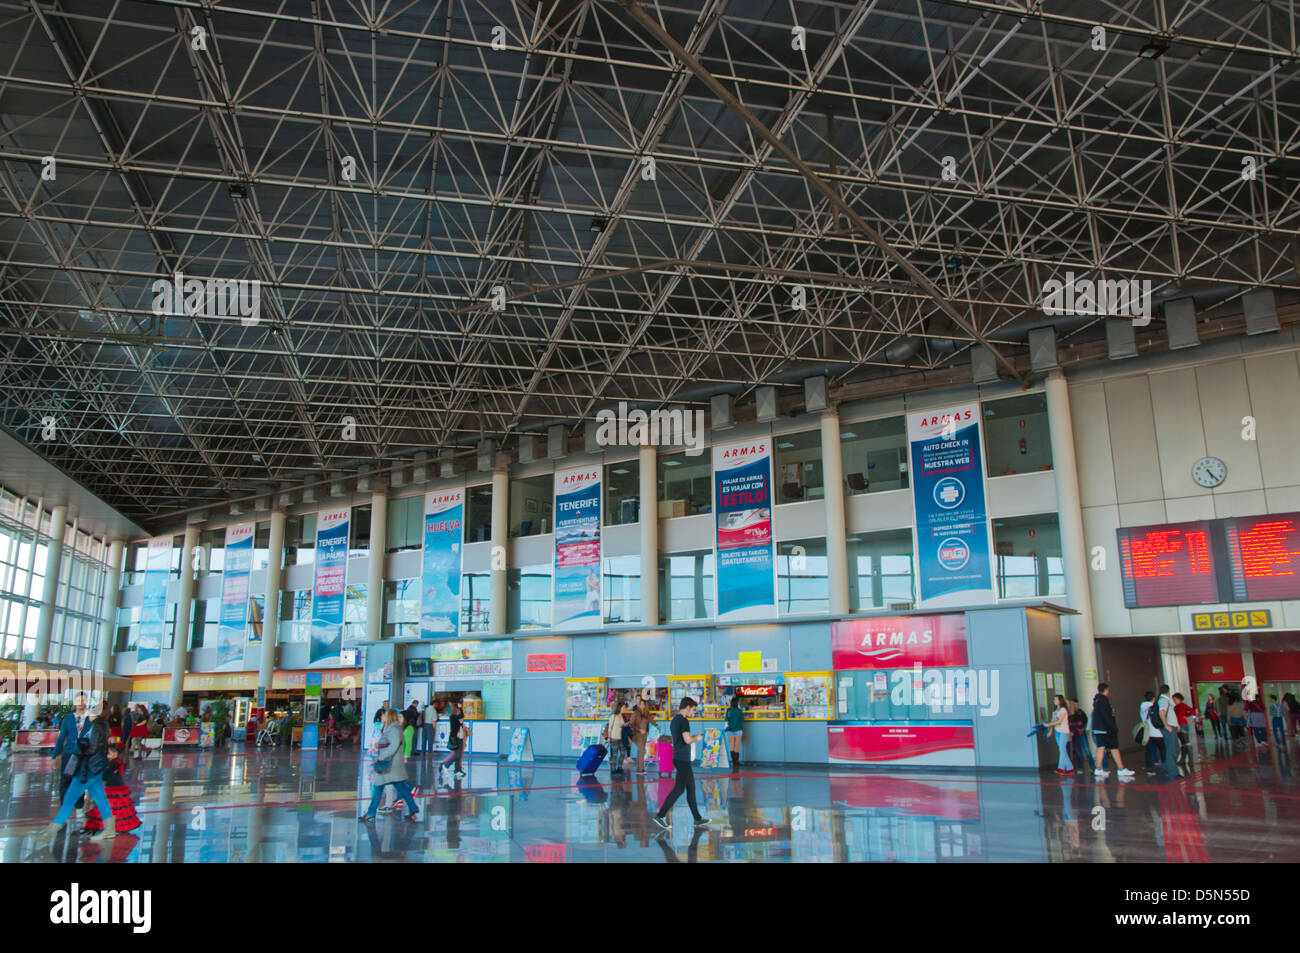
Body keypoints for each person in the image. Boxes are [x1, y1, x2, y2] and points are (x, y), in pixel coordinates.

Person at [40, 699, 116, 842]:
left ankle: (48, 834)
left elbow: (92, 748)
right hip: (95, 768)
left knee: (69, 799)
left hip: (87, 768)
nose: (90, 712)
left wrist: (81, 746)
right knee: (101, 799)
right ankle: (110, 830)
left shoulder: (97, 726)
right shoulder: (102, 725)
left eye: (93, 710)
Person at [652, 697, 710, 830]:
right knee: (679, 789)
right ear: (687, 707)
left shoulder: (675, 720)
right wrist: (698, 737)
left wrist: (692, 737)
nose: (693, 712)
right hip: (682, 759)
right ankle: (660, 816)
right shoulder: (684, 721)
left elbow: (682, 739)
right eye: (693, 709)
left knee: (691, 788)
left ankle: (697, 818)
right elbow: (688, 740)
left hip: (679, 757)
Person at [359, 709, 419, 823]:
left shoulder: (394, 729)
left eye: (385, 716)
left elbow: (393, 745)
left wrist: (380, 757)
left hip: (390, 764)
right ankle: (413, 807)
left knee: (378, 786)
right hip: (392, 764)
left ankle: (371, 812)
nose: (383, 718)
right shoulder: (392, 728)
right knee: (401, 787)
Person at [80, 747, 141, 836]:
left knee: (110, 806)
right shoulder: (117, 762)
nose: (107, 756)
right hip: (117, 786)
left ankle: (107, 826)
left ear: (113, 754)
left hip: (113, 788)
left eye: (108, 754)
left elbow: (107, 774)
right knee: (118, 806)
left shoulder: (113, 763)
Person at [50, 693, 91, 811]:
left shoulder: (90, 718)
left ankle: (79, 804)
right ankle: (65, 804)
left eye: (83, 700)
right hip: (69, 753)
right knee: (65, 779)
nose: (81, 702)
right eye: (78, 700)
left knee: (80, 778)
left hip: (83, 754)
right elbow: (61, 738)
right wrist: (54, 756)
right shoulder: (68, 719)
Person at [1089, 683, 1134, 779]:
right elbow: (1106, 715)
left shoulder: (1096, 700)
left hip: (1097, 728)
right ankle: (1121, 769)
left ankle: (1098, 768)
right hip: (1106, 729)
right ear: (1106, 690)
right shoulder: (1104, 700)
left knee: (1100, 747)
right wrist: (1112, 727)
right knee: (1114, 747)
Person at [1155, 684, 1180, 776]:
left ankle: (1167, 766)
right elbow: (1162, 712)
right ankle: (1173, 772)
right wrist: (1167, 725)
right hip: (1169, 728)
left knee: (1176, 749)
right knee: (1171, 750)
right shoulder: (1163, 700)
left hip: (1171, 727)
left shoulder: (1164, 700)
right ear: (1168, 691)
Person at [1044, 695, 1072, 776]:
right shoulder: (1055, 710)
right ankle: (1070, 768)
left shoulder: (1063, 710)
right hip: (1057, 731)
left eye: (1056, 699)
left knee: (1062, 749)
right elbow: (1053, 721)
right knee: (1062, 750)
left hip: (1064, 732)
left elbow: (1059, 721)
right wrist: (1050, 730)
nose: (1054, 700)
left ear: (1060, 700)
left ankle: (1061, 768)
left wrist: (1048, 724)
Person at [439, 702, 468, 779]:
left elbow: (461, 717)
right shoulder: (453, 717)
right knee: (457, 754)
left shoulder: (453, 717)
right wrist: (461, 708)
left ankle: (457, 770)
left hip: (458, 737)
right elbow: (461, 716)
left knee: (459, 755)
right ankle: (446, 765)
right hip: (456, 737)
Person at [1066, 698, 1094, 772]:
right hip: (1072, 734)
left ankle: (1092, 766)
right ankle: (1075, 767)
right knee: (1073, 750)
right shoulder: (1067, 713)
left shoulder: (1080, 712)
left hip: (1080, 733)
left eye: (1077, 704)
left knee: (1086, 749)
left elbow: (1085, 721)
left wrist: (1083, 729)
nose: (1076, 705)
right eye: (1074, 704)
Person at [1139, 691, 1164, 772]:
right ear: (1153, 698)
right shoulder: (1155, 707)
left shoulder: (1142, 707)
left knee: (1148, 750)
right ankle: (1165, 763)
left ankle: (1149, 766)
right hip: (1156, 732)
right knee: (1163, 749)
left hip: (1147, 733)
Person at [606, 701, 629, 776]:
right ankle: (613, 770)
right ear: (620, 708)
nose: (625, 709)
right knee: (614, 755)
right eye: (623, 708)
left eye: (625, 708)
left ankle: (619, 768)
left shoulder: (623, 716)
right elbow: (610, 728)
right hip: (614, 738)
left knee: (623, 752)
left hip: (621, 738)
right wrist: (609, 738)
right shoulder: (613, 716)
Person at [1172, 693, 1195, 767]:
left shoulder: (1182, 705)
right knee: (1183, 743)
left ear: (1179, 699)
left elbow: (1192, 711)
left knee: (1186, 742)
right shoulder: (1175, 707)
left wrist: (1186, 716)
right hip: (1178, 725)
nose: (1174, 701)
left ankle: (1190, 760)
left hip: (1183, 724)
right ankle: (1183, 759)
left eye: (1175, 699)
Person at [725, 693, 745, 770]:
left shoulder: (729, 710)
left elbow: (726, 720)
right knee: (737, 746)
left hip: (730, 730)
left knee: (732, 746)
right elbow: (742, 721)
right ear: (737, 703)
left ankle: (734, 762)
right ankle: (737, 762)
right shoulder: (739, 711)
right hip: (738, 730)